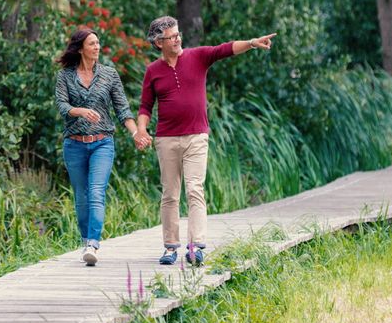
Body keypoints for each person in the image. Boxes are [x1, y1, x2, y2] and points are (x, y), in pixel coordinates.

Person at [136, 16, 276, 266]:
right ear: (159, 42)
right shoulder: (152, 71)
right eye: (172, 36)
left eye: (178, 34)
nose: (178, 38)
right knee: (169, 194)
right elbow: (145, 107)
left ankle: (195, 246)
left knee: (194, 189)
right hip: (166, 140)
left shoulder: (198, 56)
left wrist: (253, 43)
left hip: (196, 137)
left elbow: (224, 49)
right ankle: (170, 248)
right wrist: (141, 131)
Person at [56, 28, 148, 266]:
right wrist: (80, 111)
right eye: (92, 44)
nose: (97, 47)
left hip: (102, 144)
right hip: (74, 145)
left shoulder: (109, 74)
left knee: (96, 192)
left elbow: (122, 109)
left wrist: (136, 133)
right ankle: (86, 239)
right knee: (81, 196)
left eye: (98, 43)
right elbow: (62, 106)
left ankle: (93, 244)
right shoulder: (65, 76)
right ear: (80, 48)